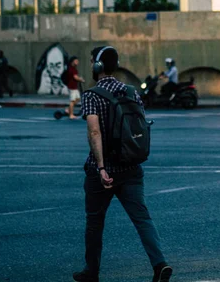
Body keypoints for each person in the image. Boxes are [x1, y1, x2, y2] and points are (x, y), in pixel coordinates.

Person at [73, 46, 172, 282]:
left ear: (97, 66)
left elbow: (94, 131)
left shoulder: (92, 95)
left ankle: (92, 271)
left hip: (103, 172)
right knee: (142, 219)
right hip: (131, 168)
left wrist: (101, 168)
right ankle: (160, 265)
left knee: (95, 222)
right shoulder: (131, 92)